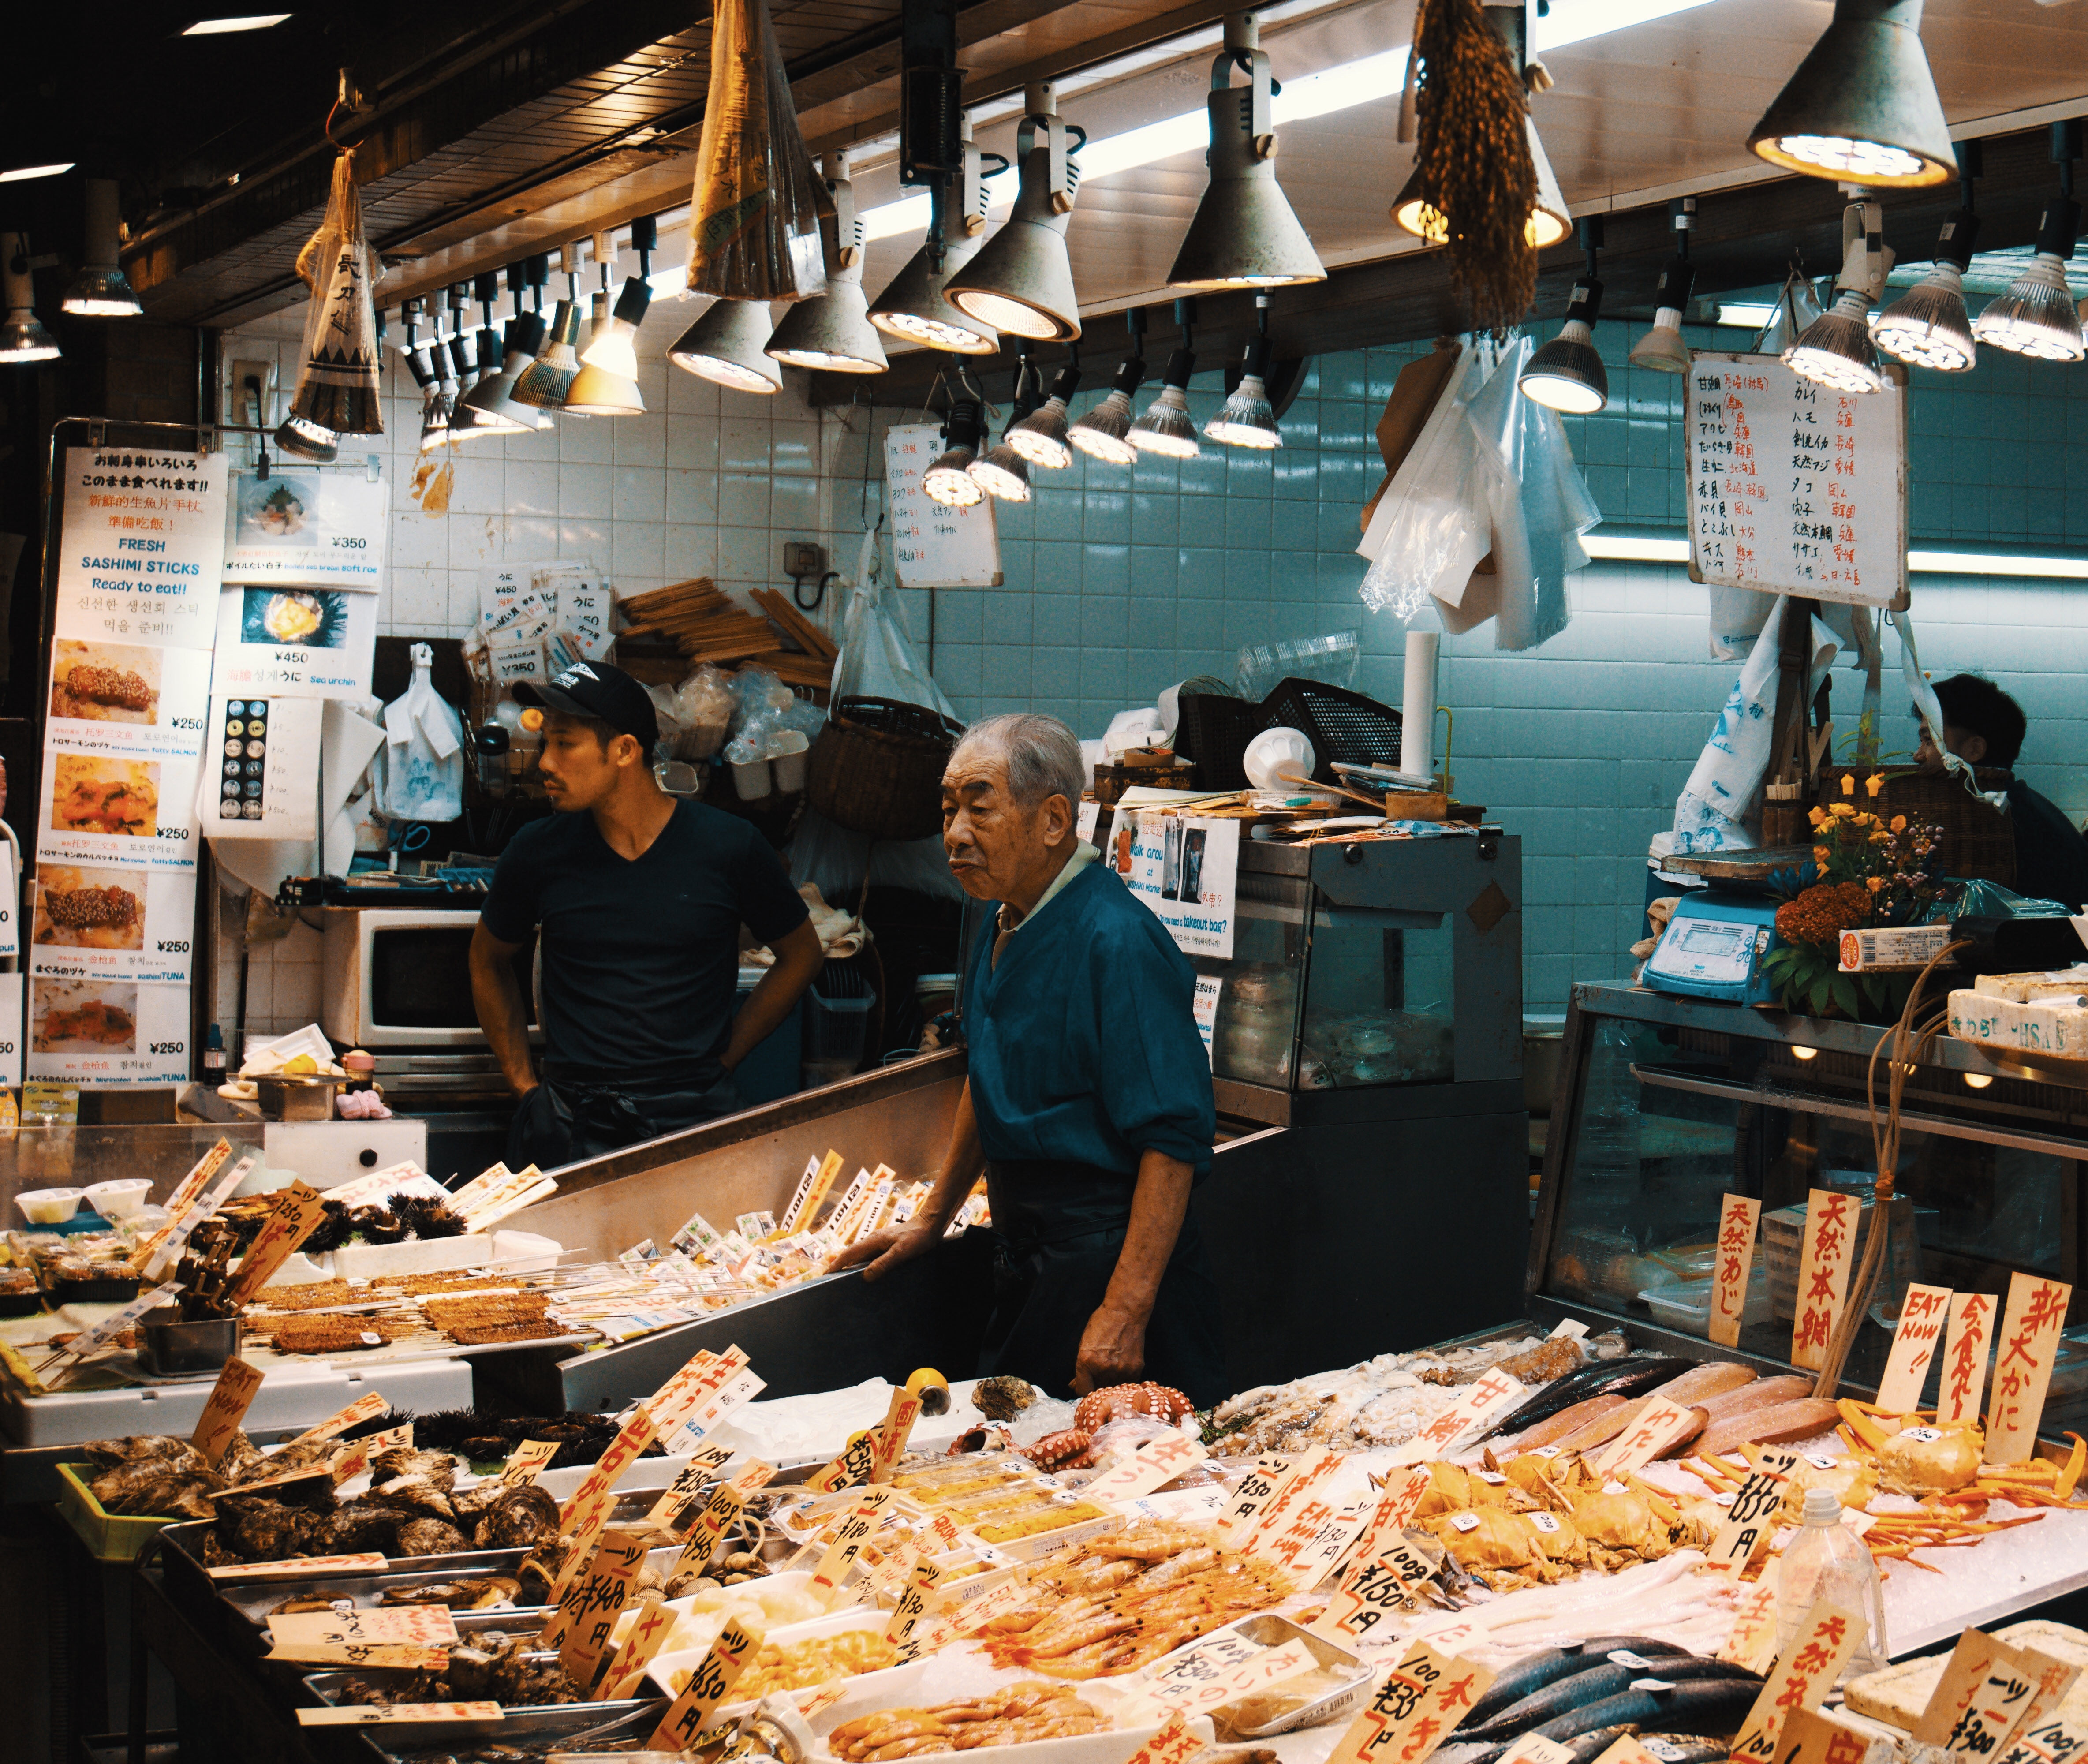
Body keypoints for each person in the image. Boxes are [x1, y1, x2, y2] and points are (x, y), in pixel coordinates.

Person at [832, 713, 1227, 1403]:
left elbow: (1172, 1141)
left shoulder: (1116, 940)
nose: (954, 833)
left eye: (978, 808)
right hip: (1027, 1251)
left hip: (1104, 1260)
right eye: (948, 808)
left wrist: (1124, 1310)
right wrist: (932, 1219)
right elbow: (989, 1069)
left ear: (1052, 821)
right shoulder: (998, 915)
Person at [471, 659, 825, 1169]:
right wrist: (526, 1086)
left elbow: (802, 956)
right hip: (572, 1122)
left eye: (564, 743)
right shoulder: (535, 852)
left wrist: (724, 1058)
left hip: (694, 1117)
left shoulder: (729, 847)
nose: (545, 762)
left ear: (624, 751)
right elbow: (486, 960)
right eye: (545, 742)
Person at [1916, 673, 2088, 912]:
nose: (1918, 755)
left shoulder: (1994, 825)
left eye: (1928, 740)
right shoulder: (2023, 807)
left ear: (1975, 749)